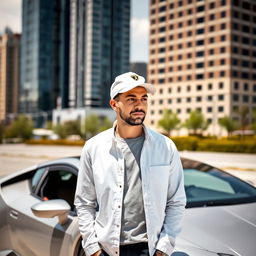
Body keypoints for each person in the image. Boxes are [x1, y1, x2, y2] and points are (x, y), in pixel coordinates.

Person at [74, 72, 186, 256]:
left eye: (144, 98)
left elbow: (176, 201)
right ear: (114, 104)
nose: (139, 104)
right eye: (131, 98)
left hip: (149, 249)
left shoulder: (166, 147)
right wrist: (93, 249)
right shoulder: (93, 148)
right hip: (108, 250)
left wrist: (163, 249)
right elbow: (84, 203)